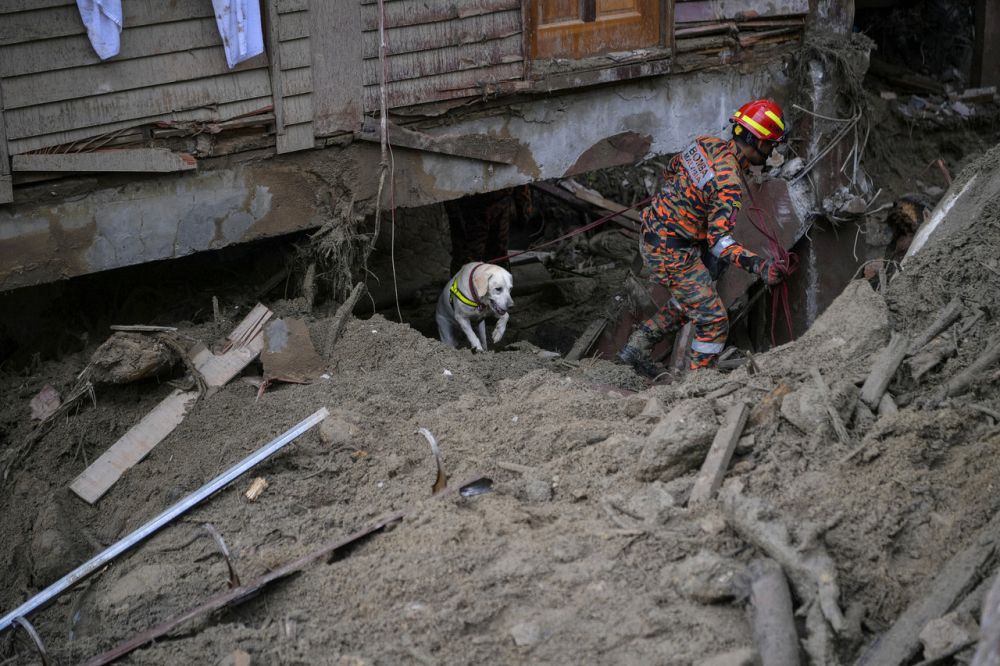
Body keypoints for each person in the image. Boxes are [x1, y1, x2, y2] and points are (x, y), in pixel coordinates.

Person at [617, 99, 790, 376]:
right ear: (754, 141)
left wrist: (686, 210)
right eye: (770, 145)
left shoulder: (704, 144)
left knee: (695, 298)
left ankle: (637, 346)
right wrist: (761, 266)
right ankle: (697, 386)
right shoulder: (729, 184)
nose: (770, 153)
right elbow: (720, 243)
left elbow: (671, 170)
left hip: (654, 233)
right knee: (713, 320)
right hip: (670, 251)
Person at [445, 187, 531, 276]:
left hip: (499, 201)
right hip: (468, 204)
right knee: (468, 257)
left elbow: (518, 180)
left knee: (498, 254)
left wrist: (523, 206)